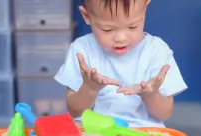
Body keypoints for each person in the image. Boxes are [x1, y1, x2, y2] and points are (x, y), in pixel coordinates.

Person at [54, 0, 187, 127]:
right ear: (86, 15)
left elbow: (164, 113)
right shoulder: (82, 50)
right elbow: (75, 111)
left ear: (144, 9)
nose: (120, 38)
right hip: (94, 131)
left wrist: (150, 95)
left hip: (143, 131)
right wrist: (90, 88)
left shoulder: (157, 50)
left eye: (132, 26)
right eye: (107, 29)